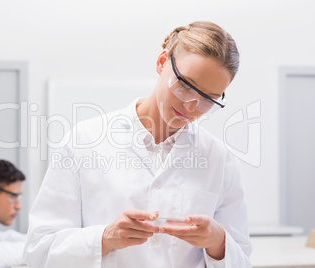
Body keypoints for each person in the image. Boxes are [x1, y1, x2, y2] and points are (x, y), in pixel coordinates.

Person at [24, 21, 252, 267]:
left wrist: (219, 243)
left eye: (208, 100)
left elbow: (242, 260)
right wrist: (104, 238)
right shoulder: (84, 140)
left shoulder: (219, 159)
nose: (190, 107)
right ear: (162, 61)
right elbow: (38, 251)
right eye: (185, 86)